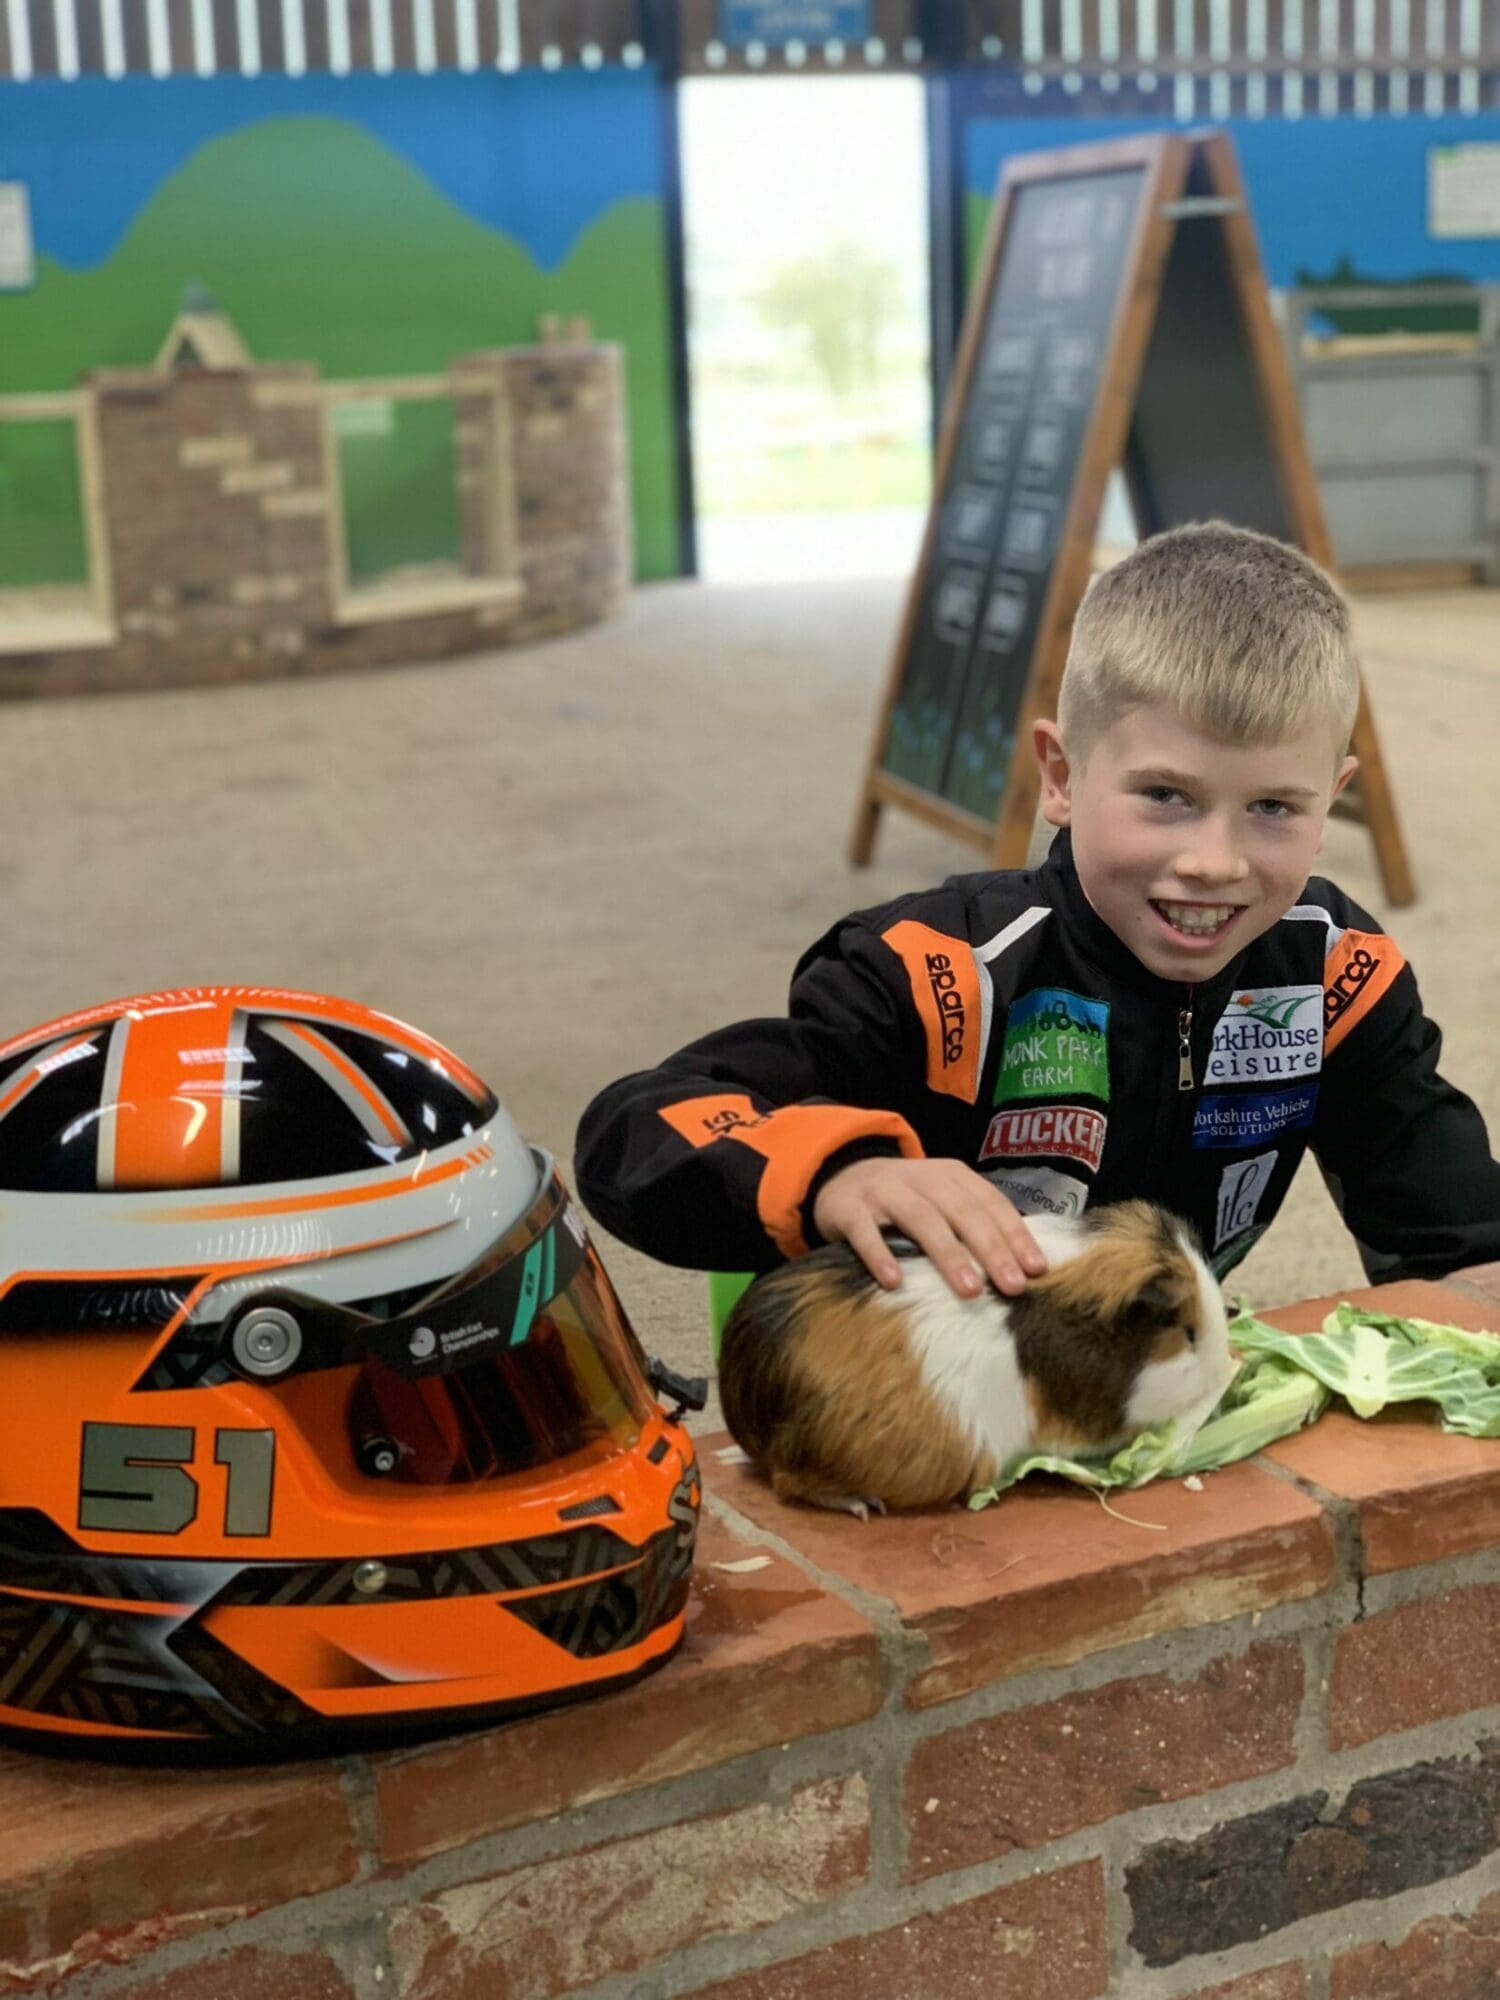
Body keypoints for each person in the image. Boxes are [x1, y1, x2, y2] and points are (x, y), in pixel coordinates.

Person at [575, 521, 1500, 1303]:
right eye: (1166, 796)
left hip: (1158, 1379)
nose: (1213, 863)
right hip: (933, 1402)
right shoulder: (935, 972)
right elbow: (634, 1127)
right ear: (1059, 775)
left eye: (1273, 809)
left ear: (1330, 802)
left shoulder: (1337, 972)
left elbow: (1455, 1241)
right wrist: (841, 1174)